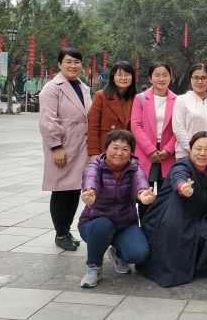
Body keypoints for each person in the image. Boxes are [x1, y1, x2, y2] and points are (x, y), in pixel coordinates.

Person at [140, 132, 207, 287]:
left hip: (199, 214)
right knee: (175, 227)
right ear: (190, 149)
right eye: (198, 148)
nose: (202, 153)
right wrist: (183, 187)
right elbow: (179, 177)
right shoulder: (182, 165)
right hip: (171, 211)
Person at [78, 130, 155, 288]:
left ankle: (117, 253)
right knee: (103, 226)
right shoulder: (95, 166)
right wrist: (90, 192)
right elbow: (91, 180)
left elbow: (140, 183)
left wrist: (143, 195)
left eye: (125, 149)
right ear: (106, 148)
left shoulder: (135, 168)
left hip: (124, 224)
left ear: (131, 152)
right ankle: (93, 267)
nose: (119, 153)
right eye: (115, 147)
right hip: (94, 224)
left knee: (139, 254)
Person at [39, 48, 92, 251]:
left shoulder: (83, 87)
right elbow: (47, 121)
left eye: (77, 62)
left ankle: (66, 230)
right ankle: (60, 234)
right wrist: (56, 146)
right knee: (61, 191)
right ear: (60, 64)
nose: (73, 65)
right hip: (63, 147)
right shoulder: (52, 88)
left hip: (81, 148)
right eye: (68, 61)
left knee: (74, 190)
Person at [131, 63, 177, 220]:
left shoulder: (177, 100)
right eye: (157, 75)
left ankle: (161, 229)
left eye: (165, 75)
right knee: (145, 193)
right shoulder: (140, 99)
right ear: (150, 78)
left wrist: (168, 150)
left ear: (170, 77)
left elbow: (179, 128)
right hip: (145, 152)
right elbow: (136, 125)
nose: (161, 78)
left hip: (167, 154)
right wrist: (150, 150)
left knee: (166, 196)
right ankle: (144, 227)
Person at [173, 63, 207, 160]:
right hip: (186, 155)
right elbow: (178, 129)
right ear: (190, 79)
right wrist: (193, 151)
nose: (200, 81)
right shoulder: (181, 100)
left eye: (203, 78)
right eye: (196, 78)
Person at [87, 61, 136, 159]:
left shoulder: (136, 99)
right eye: (119, 75)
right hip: (105, 149)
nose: (123, 78)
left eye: (127, 75)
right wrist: (93, 152)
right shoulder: (101, 96)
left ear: (132, 78)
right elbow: (92, 127)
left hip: (127, 151)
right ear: (113, 78)